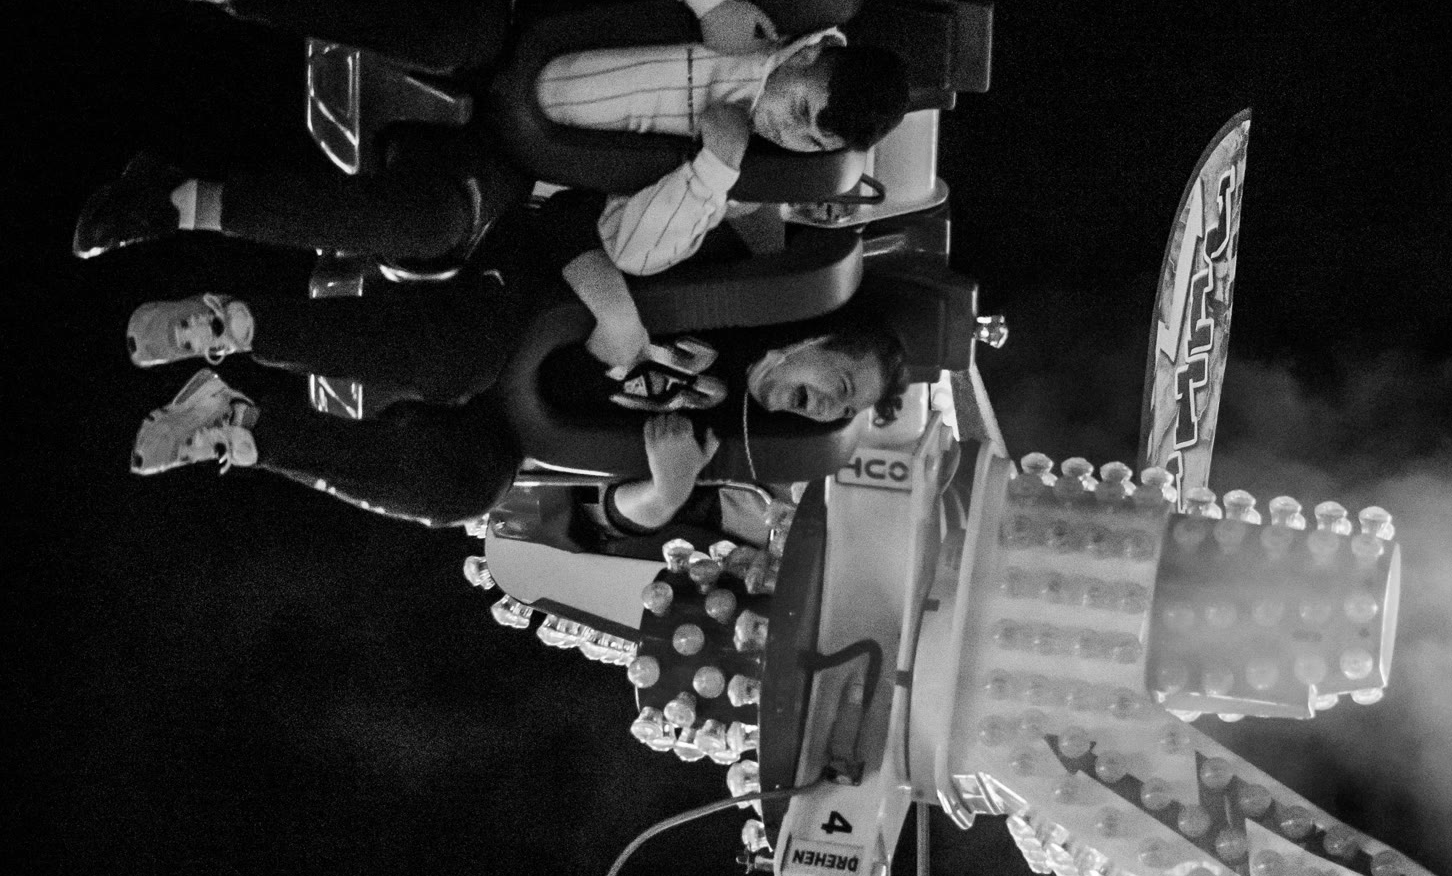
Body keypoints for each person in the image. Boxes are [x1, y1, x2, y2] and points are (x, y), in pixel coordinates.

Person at [83, 0, 911, 276]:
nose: (789, 130)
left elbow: (629, 249)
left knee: (434, 228)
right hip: (517, 21)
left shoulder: (738, 175)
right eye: (804, 108)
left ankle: (177, 201)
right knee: (449, 30)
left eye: (808, 140)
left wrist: (714, 170)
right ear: (816, 55)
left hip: (513, 150)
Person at [120, 271, 909, 530]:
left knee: (461, 491)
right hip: (511, 324)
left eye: (830, 414)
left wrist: (667, 493)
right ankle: (231, 325)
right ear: (814, 340)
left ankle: (240, 426)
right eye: (833, 387)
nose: (815, 408)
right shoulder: (738, 287)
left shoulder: (740, 440)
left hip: (512, 421)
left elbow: (613, 514)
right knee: (453, 353)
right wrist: (618, 316)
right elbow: (580, 232)